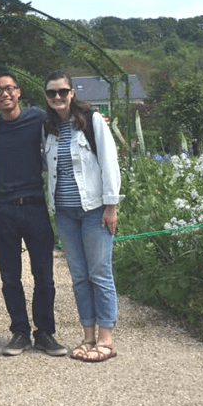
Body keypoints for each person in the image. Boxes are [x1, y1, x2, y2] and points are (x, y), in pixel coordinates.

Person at [0, 72, 67, 357]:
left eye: (10, 89)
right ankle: (19, 332)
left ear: (19, 92)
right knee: (10, 276)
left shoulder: (37, 117)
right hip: (2, 207)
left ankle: (45, 333)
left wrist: (94, 120)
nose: (5, 94)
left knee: (44, 275)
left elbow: (66, 116)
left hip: (34, 204)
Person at [43, 70, 123, 362]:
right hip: (65, 211)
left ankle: (106, 338)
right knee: (78, 276)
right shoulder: (48, 128)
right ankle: (87, 335)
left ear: (72, 93)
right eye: (51, 93)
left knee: (99, 272)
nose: (57, 97)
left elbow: (109, 162)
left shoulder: (92, 122)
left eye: (62, 92)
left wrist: (111, 205)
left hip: (93, 209)